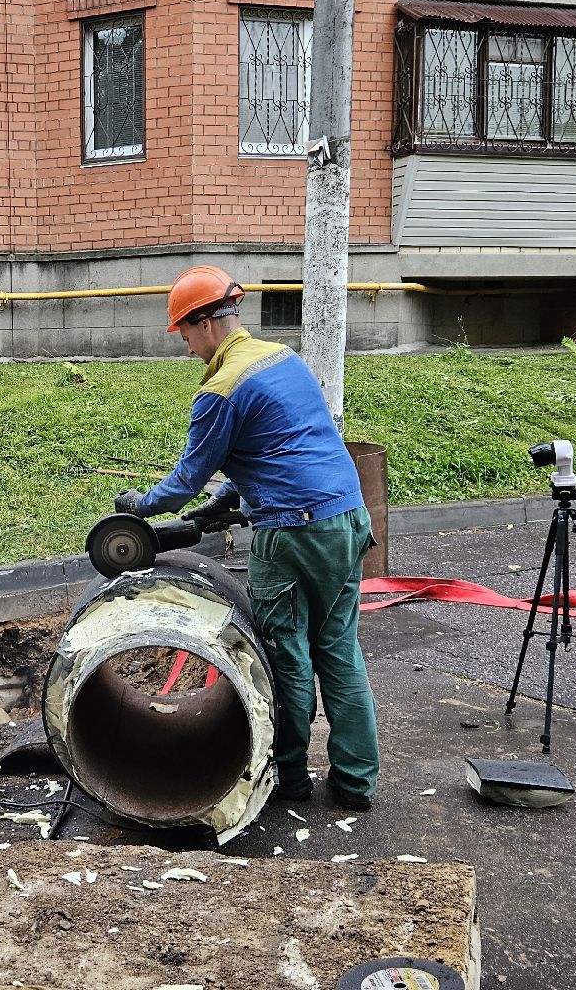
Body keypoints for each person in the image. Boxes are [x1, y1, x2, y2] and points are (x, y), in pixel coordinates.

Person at [113, 264, 378, 809]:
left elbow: (187, 477)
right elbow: (281, 438)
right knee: (340, 648)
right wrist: (232, 493)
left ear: (204, 322)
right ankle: (355, 783)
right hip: (348, 516)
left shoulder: (220, 389)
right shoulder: (283, 359)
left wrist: (139, 506)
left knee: (287, 653)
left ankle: (289, 776)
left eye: (184, 334)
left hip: (292, 531)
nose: (185, 347)